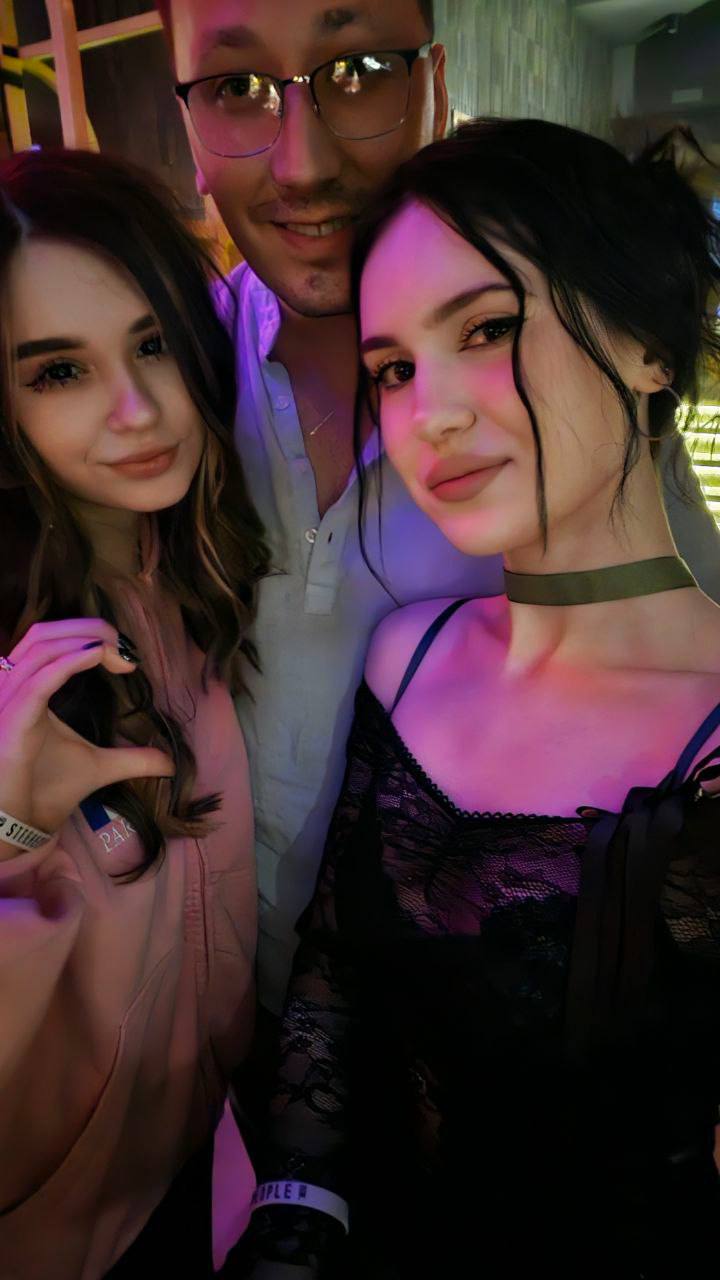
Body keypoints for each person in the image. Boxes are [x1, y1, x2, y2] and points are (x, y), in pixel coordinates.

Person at [159, 0, 720, 1028]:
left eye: (358, 68)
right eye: (237, 88)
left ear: (434, 84)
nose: (300, 164)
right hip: (191, 1032)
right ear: (187, 127)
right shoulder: (154, 379)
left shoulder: (603, 429)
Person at [230, 120, 720, 1280]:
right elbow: (333, 980)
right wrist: (294, 1224)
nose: (429, 415)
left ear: (649, 344)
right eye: (395, 368)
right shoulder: (409, 652)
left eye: (488, 329)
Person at [0, 147, 268, 1279]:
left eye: (154, 343)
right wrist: (8, 828)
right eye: (59, 370)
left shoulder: (204, 582)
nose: (137, 409)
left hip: (209, 1179)